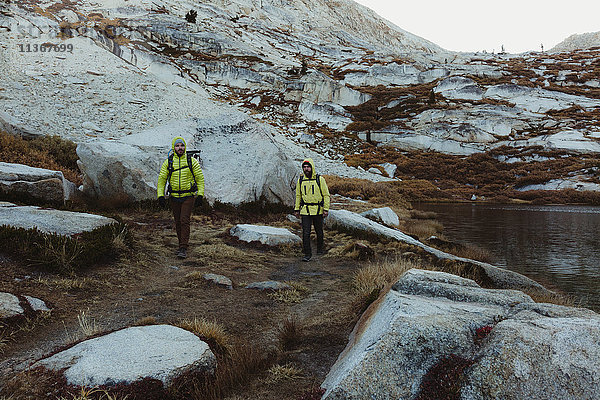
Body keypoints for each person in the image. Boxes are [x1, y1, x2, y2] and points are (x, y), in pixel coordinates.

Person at [157, 136, 204, 259]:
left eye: (182, 145)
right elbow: (162, 179)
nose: (180, 148)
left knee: (184, 220)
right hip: (174, 197)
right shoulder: (169, 162)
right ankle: (181, 244)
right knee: (177, 222)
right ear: (174, 147)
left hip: (188, 196)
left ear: (185, 147)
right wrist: (160, 195)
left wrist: (200, 195)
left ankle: (183, 247)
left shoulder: (191, 161)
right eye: (177, 146)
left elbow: (200, 179)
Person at [294, 158, 330, 262]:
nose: (306, 169)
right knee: (306, 233)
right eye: (304, 167)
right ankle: (307, 254)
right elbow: (298, 195)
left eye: (308, 167)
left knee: (319, 231)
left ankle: (319, 249)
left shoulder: (320, 179)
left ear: (312, 167)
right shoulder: (300, 180)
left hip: (318, 210)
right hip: (305, 210)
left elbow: (326, 195)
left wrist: (325, 209)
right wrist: (297, 209)